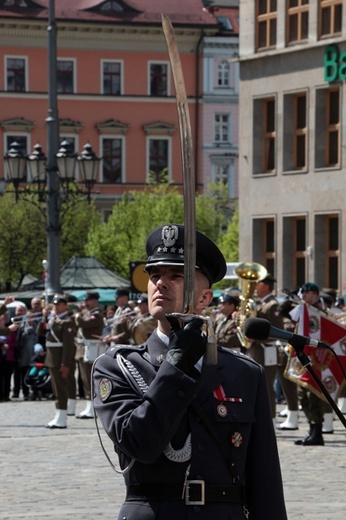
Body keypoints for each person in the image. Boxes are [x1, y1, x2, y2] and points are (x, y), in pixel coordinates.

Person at [93, 223, 287, 520]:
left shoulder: (245, 373)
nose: (161, 283)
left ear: (205, 298)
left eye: (176, 276)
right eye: (155, 275)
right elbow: (140, 443)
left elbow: (265, 482)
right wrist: (176, 365)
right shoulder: (118, 366)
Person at [294, 282, 329, 446]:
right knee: (303, 396)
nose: (304, 295)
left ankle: (317, 432)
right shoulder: (301, 311)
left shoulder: (320, 313)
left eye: (307, 293)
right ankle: (311, 430)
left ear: (315, 295)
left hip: (316, 361)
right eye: (303, 292)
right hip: (302, 359)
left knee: (314, 396)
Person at [246, 273, 284, 420]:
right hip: (256, 350)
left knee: (266, 388)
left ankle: (270, 421)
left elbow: (277, 332)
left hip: (266, 351)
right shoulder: (261, 304)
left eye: (259, 283)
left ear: (267, 286)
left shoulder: (272, 305)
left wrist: (256, 338)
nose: (255, 286)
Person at [37, 294, 77, 428]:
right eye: (55, 304)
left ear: (66, 306)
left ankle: (62, 417)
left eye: (59, 304)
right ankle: (58, 414)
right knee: (55, 389)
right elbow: (40, 333)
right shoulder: (52, 320)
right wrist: (43, 318)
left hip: (60, 359)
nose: (56, 307)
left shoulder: (67, 322)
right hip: (52, 358)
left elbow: (69, 345)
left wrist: (65, 364)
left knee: (60, 389)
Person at [75, 291, 104, 418]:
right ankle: (89, 406)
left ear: (95, 301)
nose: (85, 303)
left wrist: (77, 314)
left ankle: (93, 407)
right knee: (85, 379)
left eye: (88, 300)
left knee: (90, 379)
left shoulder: (96, 315)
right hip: (84, 348)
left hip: (92, 348)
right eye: (85, 300)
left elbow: (82, 324)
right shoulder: (87, 314)